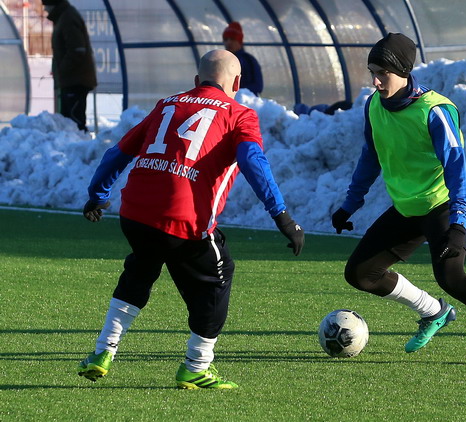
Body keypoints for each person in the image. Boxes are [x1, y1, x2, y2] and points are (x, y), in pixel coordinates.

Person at [78, 49, 304, 389]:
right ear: (237, 83)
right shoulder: (239, 114)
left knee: (141, 268)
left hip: (135, 214)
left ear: (197, 80)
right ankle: (196, 366)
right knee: (218, 277)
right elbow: (253, 161)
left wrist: (97, 195)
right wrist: (282, 215)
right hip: (183, 221)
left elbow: (119, 152)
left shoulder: (166, 104)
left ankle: (102, 353)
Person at [331, 33, 466, 367]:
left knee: (452, 278)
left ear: (404, 71)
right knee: (361, 273)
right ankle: (434, 312)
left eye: (383, 73)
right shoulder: (373, 105)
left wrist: (458, 223)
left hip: (442, 205)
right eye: (372, 72)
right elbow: (370, 157)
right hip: (408, 208)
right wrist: (350, 203)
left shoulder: (435, 110)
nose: (375, 81)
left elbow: (456, 167)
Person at [42, 0, 97, 131]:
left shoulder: (68, 18)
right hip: (72, 80)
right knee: (70, 122)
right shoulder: (64, 17)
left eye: (46, 6)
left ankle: (79, 143)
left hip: (75, 81)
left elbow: (77, 50)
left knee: (74, 123)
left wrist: (62, 69)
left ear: (54, 5)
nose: (45, 10)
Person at [222, 21, 263, 96]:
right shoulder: (221, 60)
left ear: (239, 42)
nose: (228, 42)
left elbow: (258, 86)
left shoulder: (248, 60)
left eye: (232, 39)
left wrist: (237, 92)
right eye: (226, 39)